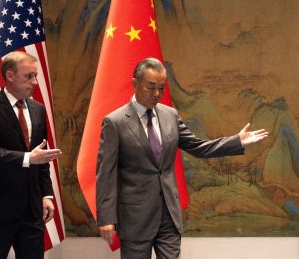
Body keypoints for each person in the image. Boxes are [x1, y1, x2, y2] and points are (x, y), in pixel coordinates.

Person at [96, 58, 268, 259]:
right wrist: (106, 217)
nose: (157, 94)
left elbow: (198, 147)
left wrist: (236, 141)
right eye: (151, 87)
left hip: (169, 216)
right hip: (135, 218)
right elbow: (105, 173)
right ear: (135, 84)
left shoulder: (170, 115)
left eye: (161, 88)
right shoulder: (115, 122)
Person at [0, 51, 61, 259]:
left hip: (32, 209)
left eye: (35, 76)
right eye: (29, 76)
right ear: (10, 76)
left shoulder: (38, 110)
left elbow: (42, 158)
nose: (35, 82)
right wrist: (28, 158)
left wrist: (46, 195)